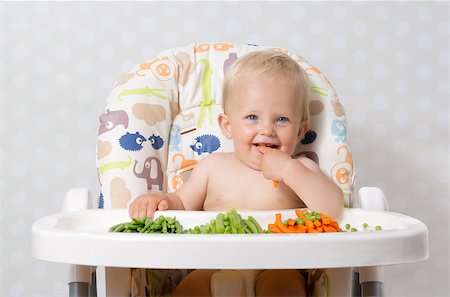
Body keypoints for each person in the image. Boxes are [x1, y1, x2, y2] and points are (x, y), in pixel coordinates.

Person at [129, 51, 344, 296]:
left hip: (280, 266)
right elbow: (181, 205)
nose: (267, 129)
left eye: (282, 119)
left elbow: (333, 208)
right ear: (228, 126)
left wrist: (288, 169)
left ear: (300, 131)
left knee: (285, 288)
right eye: (252, 117)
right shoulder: (212, 167)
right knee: (189, 288)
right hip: (212, 266)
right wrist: (161, 201)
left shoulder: (301, 169)